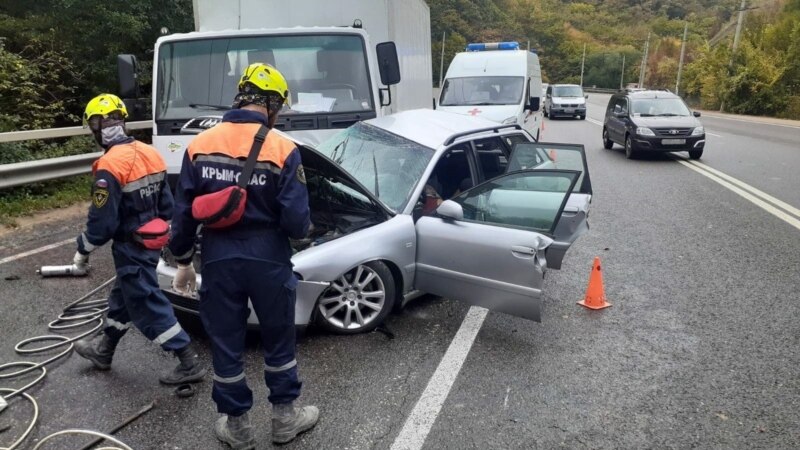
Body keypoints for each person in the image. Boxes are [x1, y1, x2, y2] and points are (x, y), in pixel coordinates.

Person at [168, 63, 318, 448]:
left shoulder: (199, 145)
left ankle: (238, 428)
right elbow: (298, 223)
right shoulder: (284, 148)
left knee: (226, 341)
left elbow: (182, 215)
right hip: (268, 255)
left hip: (218, 256)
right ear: (271, 105)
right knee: (278, 337)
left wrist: (183, 261)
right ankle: (285, 419)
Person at [72, 94, 207, 386]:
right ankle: (104, 350)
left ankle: (188, 361)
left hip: (130, 247)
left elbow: (102, 223)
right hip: (151, 242)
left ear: (95, 127)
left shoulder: (108, 166)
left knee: (146, 303)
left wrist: (83, 249)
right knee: (122, 299)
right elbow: (167, 206)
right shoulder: (150, 153)